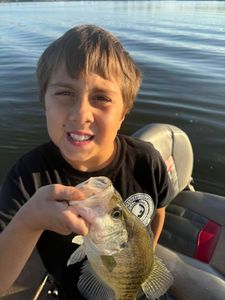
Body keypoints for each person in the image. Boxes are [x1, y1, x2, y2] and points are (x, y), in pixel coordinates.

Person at [0, 25, 171, 299]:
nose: (81, 115)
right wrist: (28, 221)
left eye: (101, 98)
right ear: (44, 103)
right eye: (65, 93)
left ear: (123, 114)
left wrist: (145, 254)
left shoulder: (146, 161)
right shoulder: (26, 178)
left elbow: (158, 211)